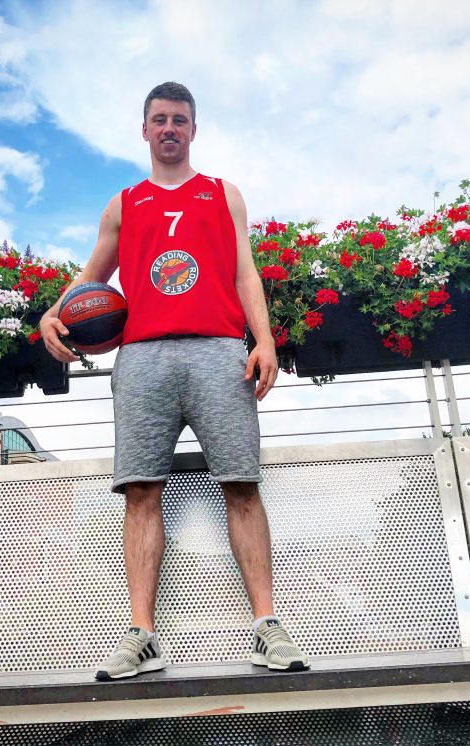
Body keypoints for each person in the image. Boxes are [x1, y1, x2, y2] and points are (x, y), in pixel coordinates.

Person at [40, 82, 309, 680]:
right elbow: (91, 278)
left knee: (241, 483)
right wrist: (51, 313)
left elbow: (244, 272)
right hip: (143, 357)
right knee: (140, 490)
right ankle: (142, 636)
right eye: (159, 119)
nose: (169, 128)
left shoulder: (222, 193)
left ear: (193, 130)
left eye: (179, 120)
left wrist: (264, 340)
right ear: (144, 130)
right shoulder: (124, 204)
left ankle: (267, 626)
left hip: (219, 351)